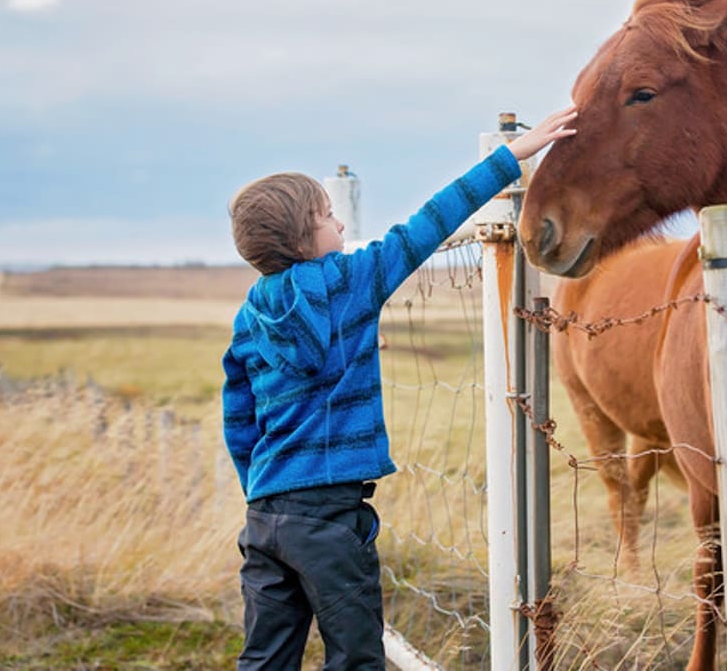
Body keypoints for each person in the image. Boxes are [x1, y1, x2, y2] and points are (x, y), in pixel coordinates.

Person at [222, 105, 577, 670]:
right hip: (332, 518)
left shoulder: (251, 313)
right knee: (357, 656)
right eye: (328, 216)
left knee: (265, 657)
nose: (340, 226)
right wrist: (511, 157)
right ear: (302, 237)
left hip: (265, 515)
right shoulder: (355, 279)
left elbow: (238, 416)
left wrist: (260, 488)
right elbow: (428, 223)